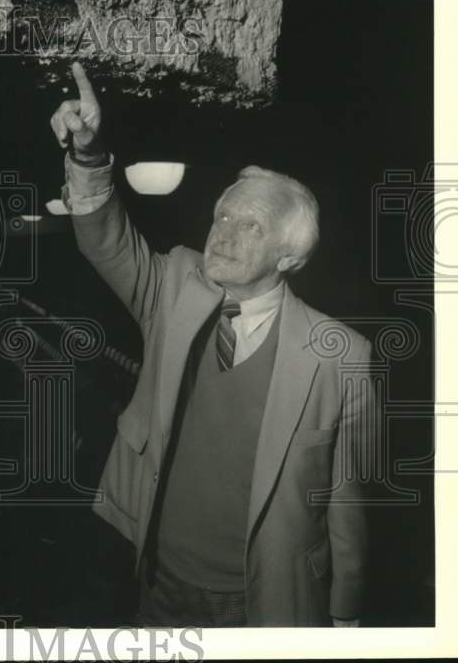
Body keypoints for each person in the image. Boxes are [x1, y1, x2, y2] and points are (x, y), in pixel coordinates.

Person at [50, 62, 373, 627]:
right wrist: (88, 155)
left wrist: (346, 612)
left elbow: (346, 495)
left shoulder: (338, 355)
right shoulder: (177, 283)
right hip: (160, 575)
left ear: (290, 256)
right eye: (223, 215)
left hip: (263, 597)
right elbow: (107, 243)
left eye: (251, 226)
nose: (223, 233)